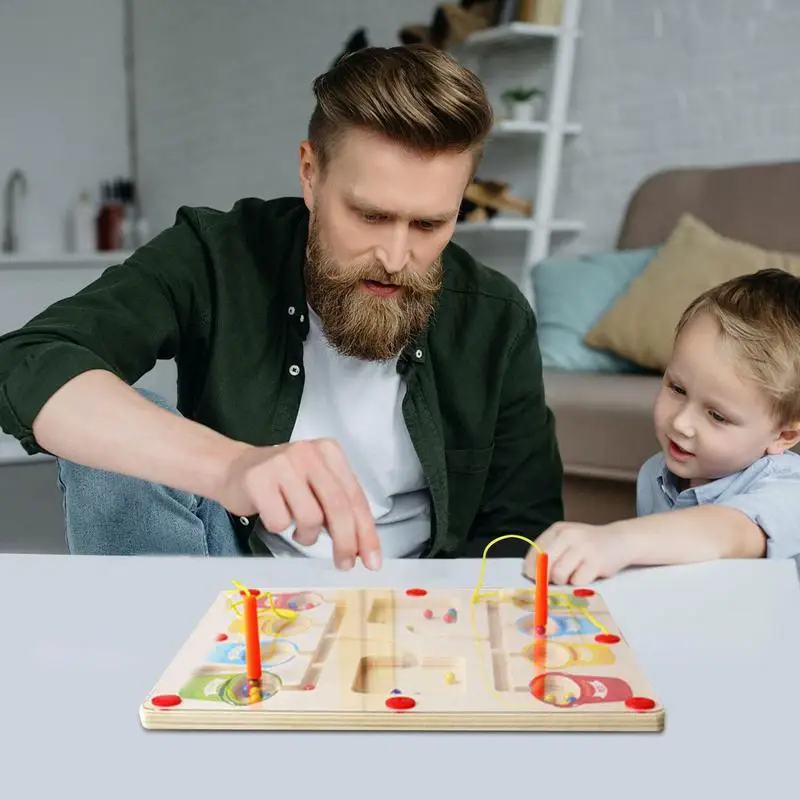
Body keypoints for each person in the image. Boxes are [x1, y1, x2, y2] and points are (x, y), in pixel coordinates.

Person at [0, 45, 563, 567]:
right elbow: (31, 359)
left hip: (416, 602)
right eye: (369, 216)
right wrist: (233, 467)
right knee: (112, 441)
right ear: (310, 174)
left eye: (430, 224)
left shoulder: (496, 316)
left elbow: (522, 536)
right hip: (233, 585)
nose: (396, 257)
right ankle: (165, 658)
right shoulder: (217, 254)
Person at [524, 268, 800, 586]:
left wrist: (619, 540)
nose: (681, 423)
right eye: (677, 389)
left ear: (784, 436)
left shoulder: (787, 489)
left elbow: (728, 531)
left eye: (718, 416)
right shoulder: (656, 474)